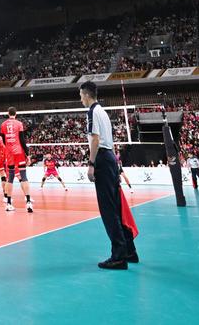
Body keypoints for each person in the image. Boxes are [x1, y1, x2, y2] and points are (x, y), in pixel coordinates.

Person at [80, 82, 138, 269]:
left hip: (103, 159)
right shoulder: (103, 112)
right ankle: (129, 251)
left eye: (81, 95)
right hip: (111, 158)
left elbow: (95, 139)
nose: (81, 99)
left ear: (86, 95)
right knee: (117, 207)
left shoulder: (92, 112)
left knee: (108, 210)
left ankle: (118, 256)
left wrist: (91, 164)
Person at [0, 107, 33, 213]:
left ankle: (9, 204)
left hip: (9, 154)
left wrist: (9, 148)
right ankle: (28, 202)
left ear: (8, 114)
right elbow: (22, 140)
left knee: (10, 178)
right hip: (19, 152)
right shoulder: (19, 124)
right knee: (23, 176)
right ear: (16, 114)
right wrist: (27, 154)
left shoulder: (3, 125)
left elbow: (3, 140)